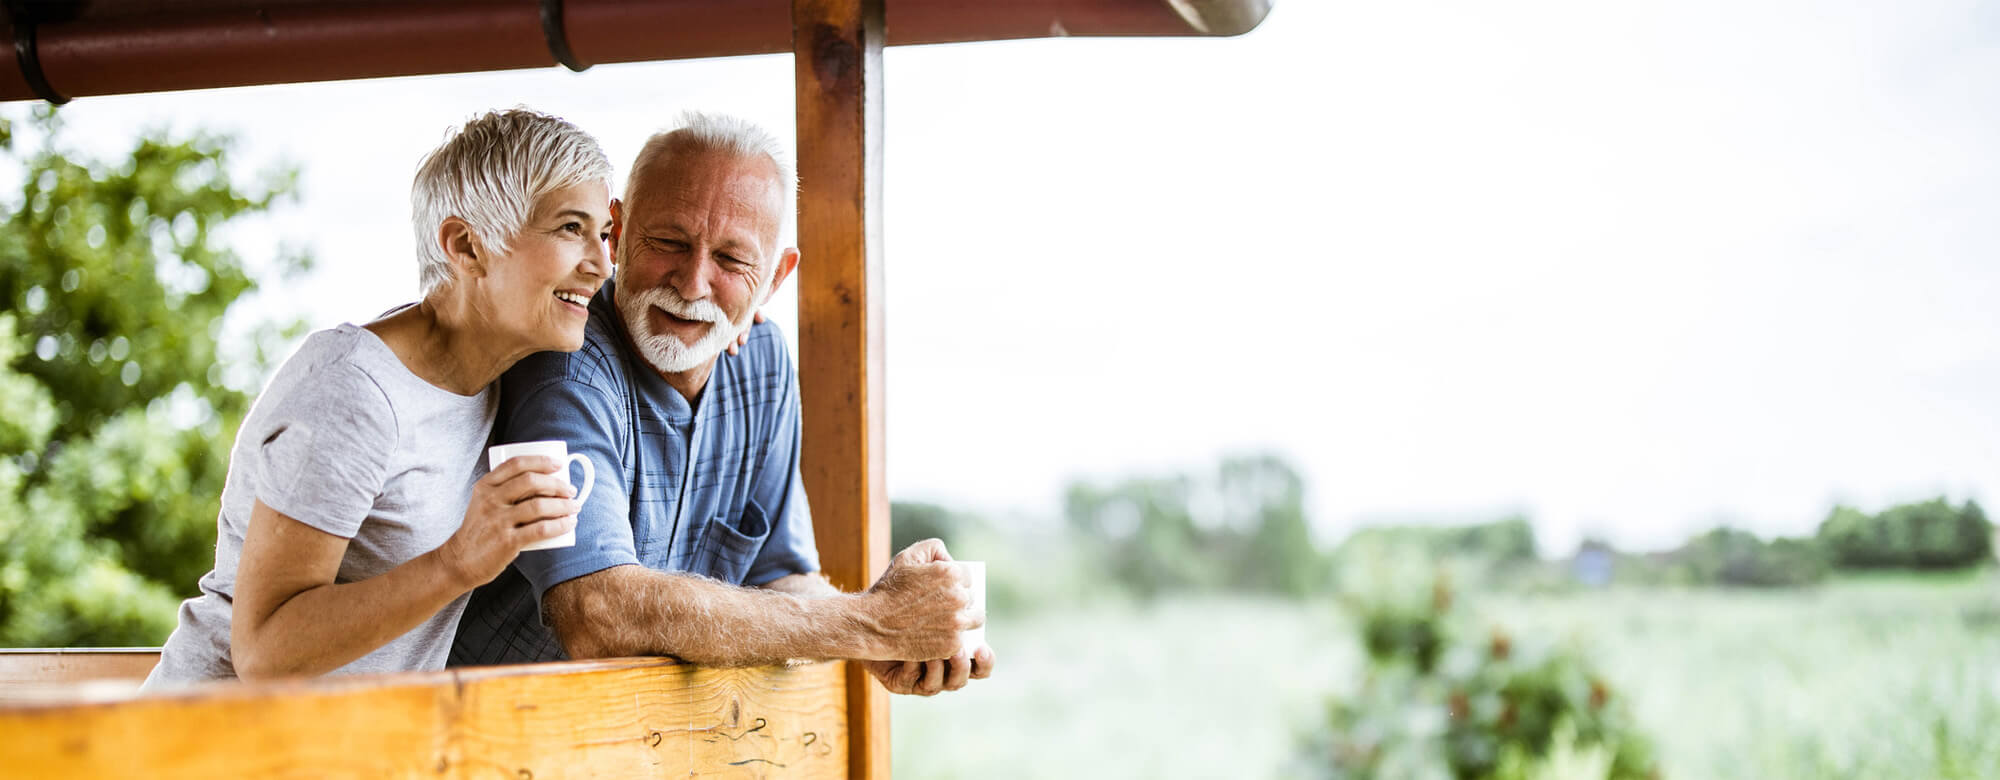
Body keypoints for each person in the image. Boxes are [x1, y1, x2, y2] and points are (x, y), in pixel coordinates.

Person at [450, 112, 993, 696]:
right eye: (667, 242)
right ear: (618, 231)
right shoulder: (561, 363)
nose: (692, 283)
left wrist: (890, 637)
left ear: (776, 278)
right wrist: (869, 624)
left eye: (732, 260)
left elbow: (778, 575)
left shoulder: (762, 358)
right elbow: (597, 613)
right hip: (489, 736)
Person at [144, 109, 614, 686]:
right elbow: (264, 651)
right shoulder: (352, 392)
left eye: (605, 233)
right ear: (466, 246)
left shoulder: (504, 361)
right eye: (571, 229)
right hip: (203, 749)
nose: (602, 263)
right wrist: (456, 562)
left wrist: (736, 318)